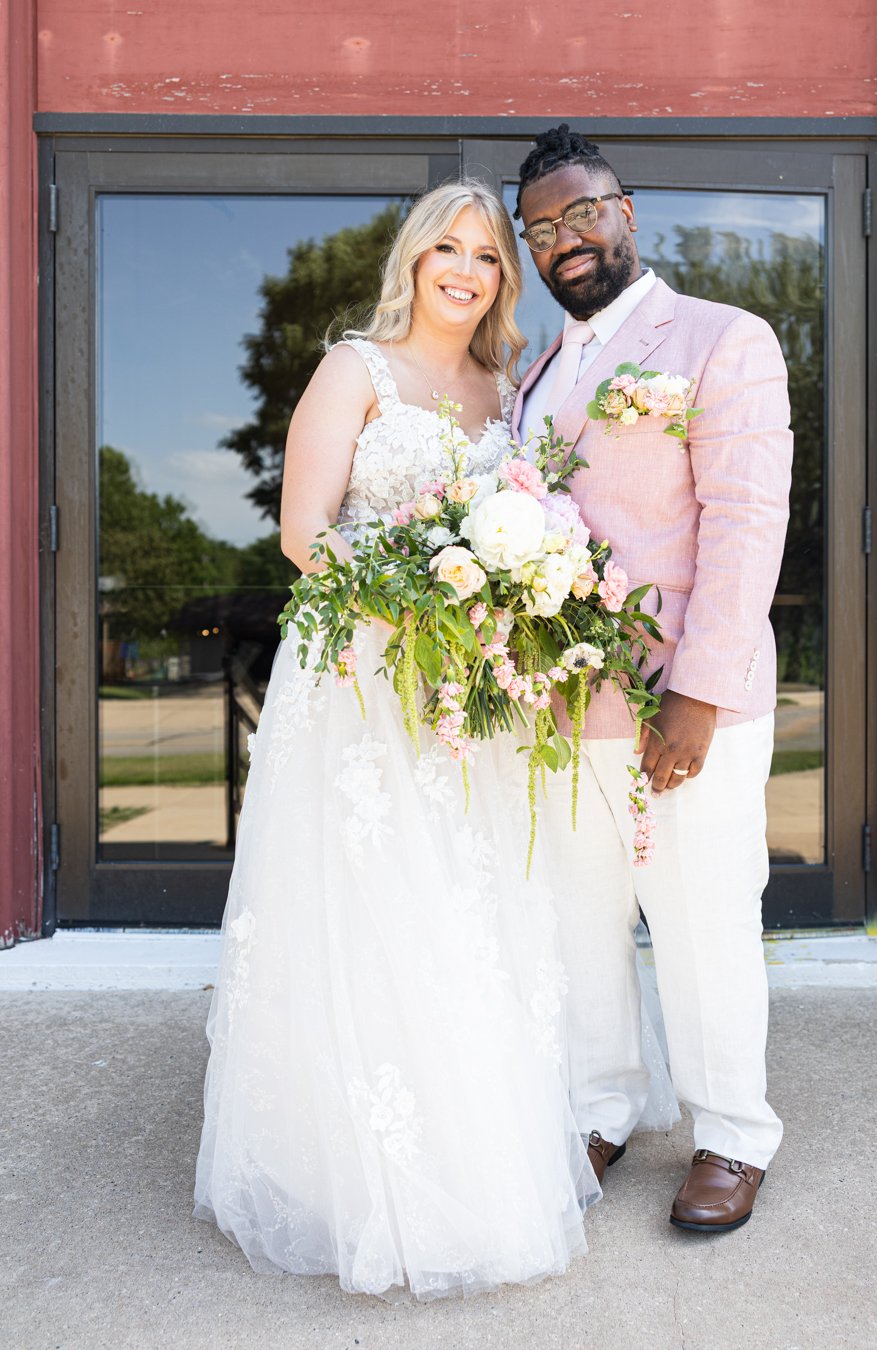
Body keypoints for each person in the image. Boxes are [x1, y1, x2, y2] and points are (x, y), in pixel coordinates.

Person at [194, 180, 600, 1300]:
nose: (465, 270)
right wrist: (410, 608)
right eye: (447, 250)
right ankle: (349, 1183)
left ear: (502, 280)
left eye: (487, 255)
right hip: (363, 682)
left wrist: (502, 605)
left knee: (466, 910)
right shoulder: (354, 370)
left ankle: (477, 1166)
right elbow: (304, 533)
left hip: (467, 690)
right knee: (369, 906)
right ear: (414, 263)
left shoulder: (505, 388)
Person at [513, 126, 793, 1233]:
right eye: (541, 227)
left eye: (583, 212)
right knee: (581, 920)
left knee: (702, 919)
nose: (565, 238)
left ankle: (732, 1134)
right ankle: (604, 1105)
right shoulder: (539, 370)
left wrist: (698, 693)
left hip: (682, 701)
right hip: (562, 704)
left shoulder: (723, 338)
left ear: (626, 212)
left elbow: (745, 522)